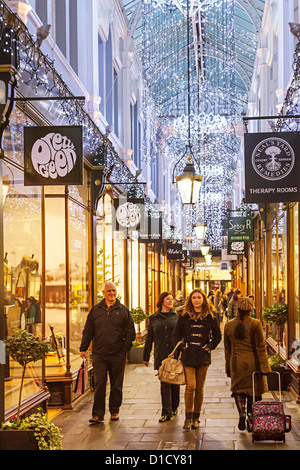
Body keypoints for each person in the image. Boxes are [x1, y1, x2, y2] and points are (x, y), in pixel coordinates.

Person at [80, 281, 135, 424]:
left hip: (117, 354)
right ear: (103, 293)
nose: (111, 293)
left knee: (117, 384)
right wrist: (83, 348)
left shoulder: (123, 310)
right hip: (100, 354)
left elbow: (130, 332)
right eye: (109, 291)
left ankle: (114, 410)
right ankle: (98, 414)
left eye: (113, 291)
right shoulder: (96, 310)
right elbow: (88, 330)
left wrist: (125, 349)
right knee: (99, 383)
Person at [174, 288, 222, 430]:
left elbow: (218, 335)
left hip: (203, 355)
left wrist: (210, 346)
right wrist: (182, 346)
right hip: (188, 355)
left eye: (199, 298)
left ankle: (196, 417)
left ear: (203, 300)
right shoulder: (184, 316)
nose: (196, 300)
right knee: (190, 386)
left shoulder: (211, 316)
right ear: (190, 300)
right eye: (194, 298)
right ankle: (188, 418)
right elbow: (176, 334)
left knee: (199, 388)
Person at [224, 296, 271, 431]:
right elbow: (261, 347)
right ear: (251, 309)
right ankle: (250, 417)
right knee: (253, 392)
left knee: (238, 390)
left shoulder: (228, 325)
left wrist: (228, 367)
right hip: (252, 363)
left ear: (238, 309)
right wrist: (265, 367)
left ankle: (241, 412)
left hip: (236, 364)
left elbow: (228, 350)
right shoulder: (255, 323)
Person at [143, 292, 180, 423]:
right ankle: (166, 412)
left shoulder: (177, 316)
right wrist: (146, 356)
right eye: (168, 299)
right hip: (161, 354)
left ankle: (175, 406)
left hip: (175, 354)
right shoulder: (154, 318)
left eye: (172, 299)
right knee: (164, 382)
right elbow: (149, 338)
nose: (170, 301)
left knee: (174, 382)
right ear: (162, 301)